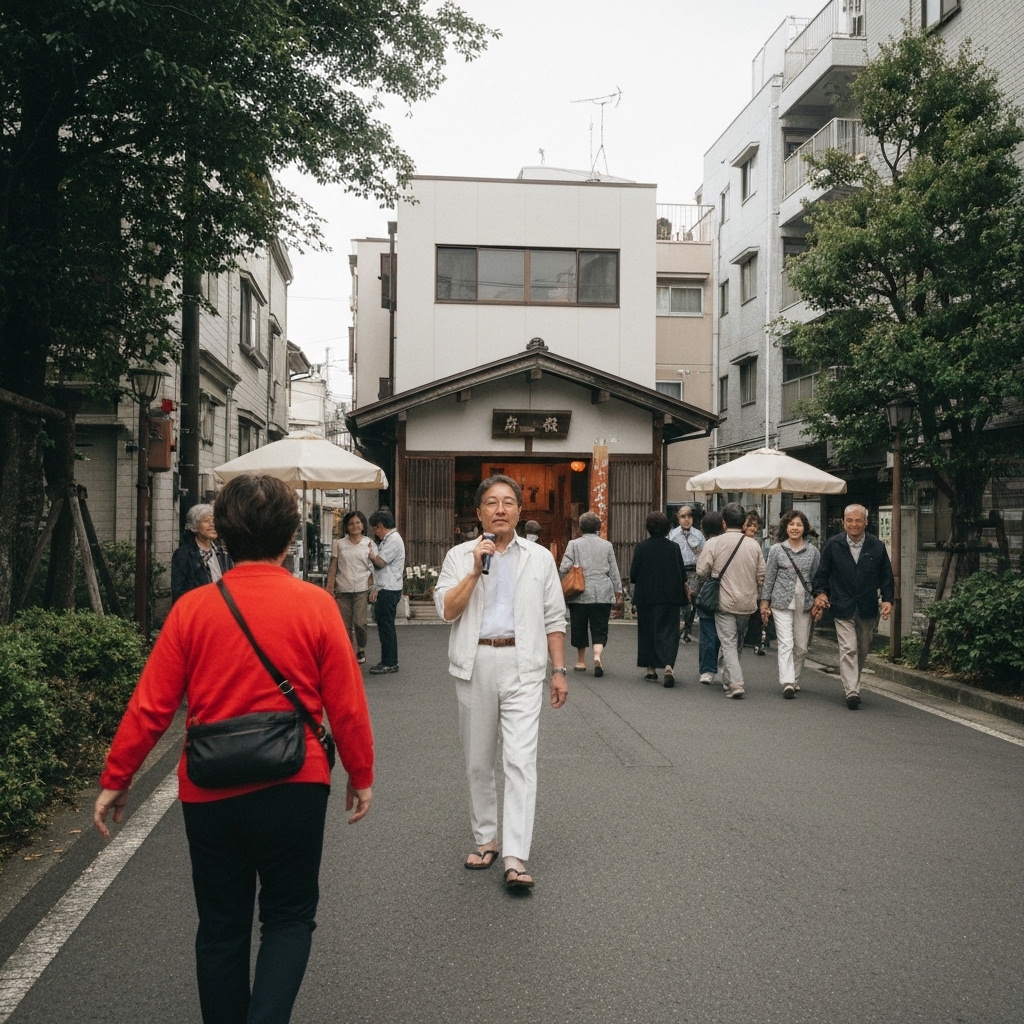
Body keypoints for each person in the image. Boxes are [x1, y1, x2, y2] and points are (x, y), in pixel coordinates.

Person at [94, 474, 374, 1024]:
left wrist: (117, 777)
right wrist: (360, 774)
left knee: (221, 926)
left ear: (221, 533)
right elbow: (346, 704)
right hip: (297, 781)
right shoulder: (316, 606)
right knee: (289, 917)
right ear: (291, 536)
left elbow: (152, 705)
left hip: (209, 786)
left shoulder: (192, 610)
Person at [434, 474, 567, 890]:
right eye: (491, 503)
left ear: (519, 511)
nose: (500, 510)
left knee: (520, 761)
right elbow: (446, 611)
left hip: (524, 664)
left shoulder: (539, 558)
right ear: (478, 513)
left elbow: (554, 616)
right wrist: (475, 570)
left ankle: (514, 854)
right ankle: (486, 838)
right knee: (478, 761)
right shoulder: (460, 556)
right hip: (475, 663)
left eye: (508, 502)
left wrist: (559, 670)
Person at [811, 504, 894, 710]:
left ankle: (852, 682)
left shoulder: (876, 546)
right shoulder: (833, 544)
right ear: (844, 522)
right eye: (850, 521)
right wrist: (821, 593)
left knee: (863, 648)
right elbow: (822, 574)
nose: (854, 525)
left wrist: (887, 599)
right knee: (848, 648)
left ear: (866, 522)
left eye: (858, 521)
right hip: (842, 604)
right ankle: (852, 691)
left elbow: (886, 577)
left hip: (867, 606)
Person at [695, 502, 766, 699]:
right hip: (748, 603)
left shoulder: (714, 543)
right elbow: (762, 574)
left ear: (724, 522)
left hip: (724, 601)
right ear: (744, 522)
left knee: (728, 642)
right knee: (736, 643)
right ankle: (728, 679)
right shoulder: (754, 545)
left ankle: (735, 682)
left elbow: (701, 571)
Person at [760, 510, 821, 699]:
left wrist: (819, 600)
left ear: (805, 528)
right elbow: (769, 578)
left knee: (801, 646)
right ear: (786, 527)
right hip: (781, 602)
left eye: (799, 525)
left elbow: (817, 579)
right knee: (785, 642)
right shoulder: (777, 550)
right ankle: (787, 682)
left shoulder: (813, 552)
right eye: (792, 524)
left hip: (805, 603)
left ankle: (794, 678)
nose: (795, 528)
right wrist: (765, 602)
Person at [559, 511, 622, 676]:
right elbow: (614, 570)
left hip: (580, 591)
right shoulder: (606, 545)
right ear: (597, 527)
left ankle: (580, 662)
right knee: (600, 626)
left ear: (580, 528)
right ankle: (597, 656)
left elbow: (563, 567)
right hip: (602, 591)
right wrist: (618, 590)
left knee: (579, 626)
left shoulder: (574, 544)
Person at [629, 511, 687, 687]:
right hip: (670, 596)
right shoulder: (673, 548)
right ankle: (668, 665)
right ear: (667, 527)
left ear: (648, 528)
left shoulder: (641, 547)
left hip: (646, 596)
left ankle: (651, 669)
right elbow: (682, 574)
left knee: (648, 631)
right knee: (669, 631)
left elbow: (633, 575)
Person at [326, 510, 374, 665]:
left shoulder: (368, 543)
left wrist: (374, 588)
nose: (355, 526)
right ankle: (349, 652)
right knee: (345, 625)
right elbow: (334, 566)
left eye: (358, 523)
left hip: (361, 588)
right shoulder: (339, 544)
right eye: (351, 523)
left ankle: (361, 647)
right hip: (343, 588)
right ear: (346, 526)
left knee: (360, 623)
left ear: (363, 525)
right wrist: (330, 587)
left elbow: (373, 567)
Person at [367, 509, 405, 675]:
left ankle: (390, 662)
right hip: (387, 587)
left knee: (386, 627)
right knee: (385, 626)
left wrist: (370, 555)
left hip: (389, 588)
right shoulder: (390, 539)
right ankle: (388, 661)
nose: (374, 531)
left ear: (381, 526)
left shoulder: (393, 540)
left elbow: (381, 562)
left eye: (375, 527)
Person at [171, 503, 233, 603]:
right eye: (206, 521)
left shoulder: (224, 553)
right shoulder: (183, 555)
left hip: (223, 609)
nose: (212, 524)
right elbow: (179, 594)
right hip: (200, 610)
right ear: (194, 526)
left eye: (213, 521)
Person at [695, 509, 724, 685]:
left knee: (707, 631)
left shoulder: (710, 544)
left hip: (709, 593)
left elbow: (701, 570)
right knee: (726, 631)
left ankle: (707, 670)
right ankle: (724, 666)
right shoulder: (729, 542)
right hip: (730, 593)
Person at [668, 505, 705, 643]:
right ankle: (680, 628)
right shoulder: (672, 534)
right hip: (678, 570)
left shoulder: (698, 534)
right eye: (683, 516)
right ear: (678, 518)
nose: (686, 519)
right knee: (681, 599)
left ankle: (687, 628)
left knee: (693, 598)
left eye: (689, 516)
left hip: (694, 570)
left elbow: (705, 552)